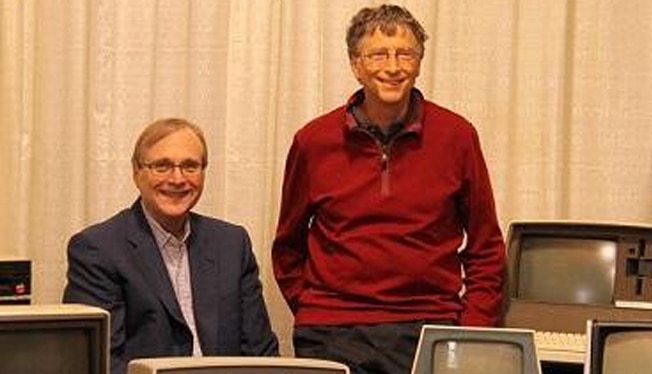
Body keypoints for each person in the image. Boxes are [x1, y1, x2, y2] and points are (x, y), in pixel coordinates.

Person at [272, 4, 506, 374]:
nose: (393, 66)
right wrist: (315, 309)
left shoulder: (457, 136)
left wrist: (472, 331)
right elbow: (288, 246)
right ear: (355, 64)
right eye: (378, 54)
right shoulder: (313, 141)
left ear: (419, 62)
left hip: (431, 326)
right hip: (332, 332)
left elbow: (486, 247)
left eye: (405, 54)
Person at [63, 118, 279, 374]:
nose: (177, 179)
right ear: (136, 172)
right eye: (162, 166)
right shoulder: (98, 250)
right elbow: (102, 362)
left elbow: (261, 352)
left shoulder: (231, 244)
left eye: (190, 166)